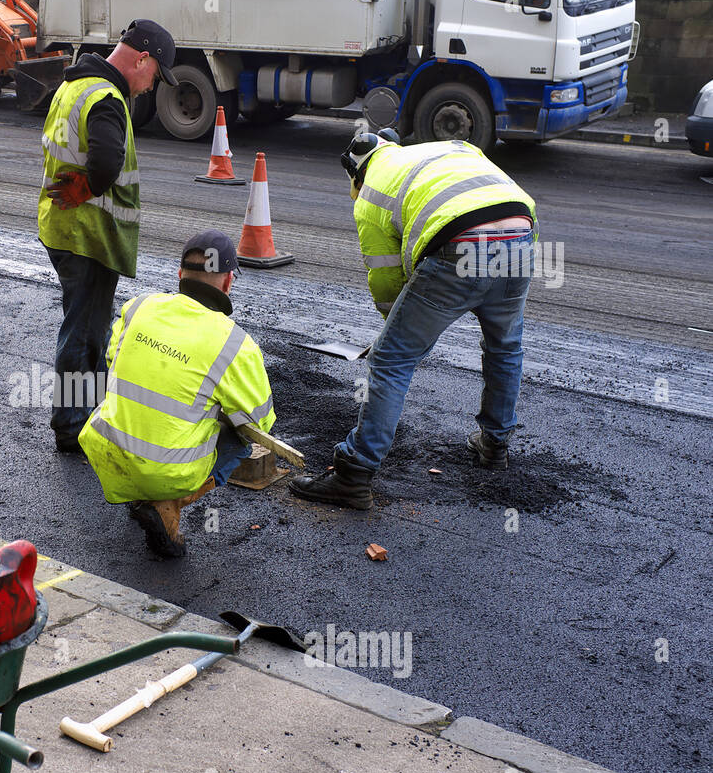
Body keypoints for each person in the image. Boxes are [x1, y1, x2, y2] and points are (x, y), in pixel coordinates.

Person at [290, 130, 538, 510]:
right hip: (521, 231)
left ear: (356, 174)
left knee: (391, 360)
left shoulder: (370, 193)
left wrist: (393, 326)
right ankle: (494, 446)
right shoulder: (442, 149)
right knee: (505, 347)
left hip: (460, 240)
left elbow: (387, 278)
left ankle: (353, 474)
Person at [79, 230, 276, 558]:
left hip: (104, 448)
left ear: (180, 274)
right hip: (166, 472)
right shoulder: (235, 344)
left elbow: (114, 364)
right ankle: (168, 503)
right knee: (240, 440)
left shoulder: (137, 307)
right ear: (227, 283)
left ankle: (138, 495)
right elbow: (260, 422)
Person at [38, 18, 177, 453]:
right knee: (83, 332)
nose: (152, 86)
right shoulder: (107, 98)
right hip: (87, 235)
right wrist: (92, 185)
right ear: (142, 58)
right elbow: (105, 161)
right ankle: (73, 426)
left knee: (86, 326)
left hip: (62, 227)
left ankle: (85, 412)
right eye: (156, 74)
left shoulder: (74, 85)